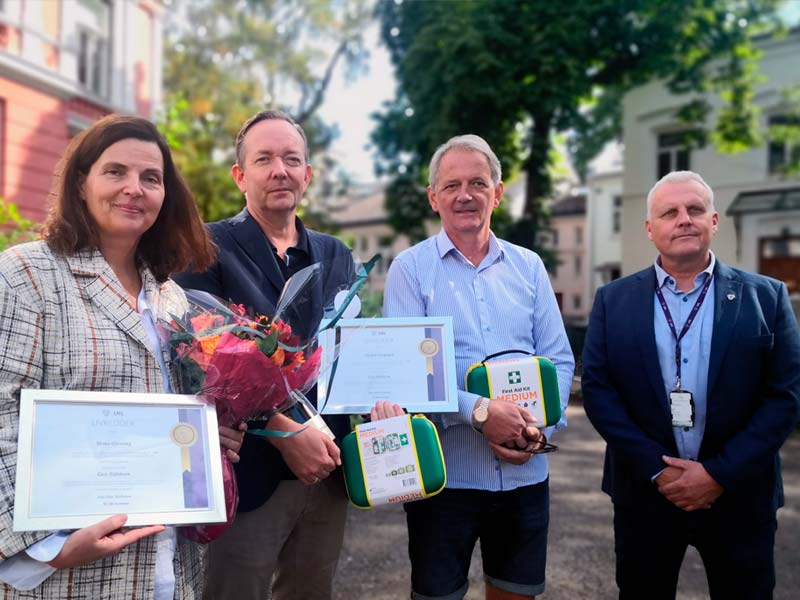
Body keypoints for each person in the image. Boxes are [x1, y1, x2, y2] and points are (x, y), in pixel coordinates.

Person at [0, 114, 244, 598]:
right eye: (116, 172)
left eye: (150, 178)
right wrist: (43, 547)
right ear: (81, 182)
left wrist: (207, 433)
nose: (134, 188)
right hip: (70, 569)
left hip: (172, 565)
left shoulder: (174, 300)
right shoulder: (24, 275)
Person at [582, 170, 800, 600]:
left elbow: (784, 397)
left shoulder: (767, 297)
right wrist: (659, 470)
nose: (683, 219)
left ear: (714, 221)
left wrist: (718, 473)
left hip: (739, 496)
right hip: (645, 495)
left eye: (694, 209)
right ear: (650, 229)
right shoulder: (613, 300)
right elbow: (599, 390)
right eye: (669, 212)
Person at [383, 134, 575, 600]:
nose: (464, 195)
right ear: (434, 197)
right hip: (444, 481)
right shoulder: (409, 270)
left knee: (516, 593)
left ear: (498, 191)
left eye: (477, 182)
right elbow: (410, 377)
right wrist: (482, 414)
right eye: (451, 185)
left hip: (526, 478)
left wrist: (532, 430)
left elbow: (560, 358)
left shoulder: (529, 266)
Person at [174, 110, 355, 600]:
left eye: (292, 159)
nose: (281, 169)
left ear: (307, 174)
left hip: (328, 467)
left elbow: (352, 352)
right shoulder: (204, 247)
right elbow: (197, 358)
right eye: (265, 159)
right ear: (240, 175)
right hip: (248, 471)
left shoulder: (336, 252)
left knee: (311, 591)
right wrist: (283, 430)